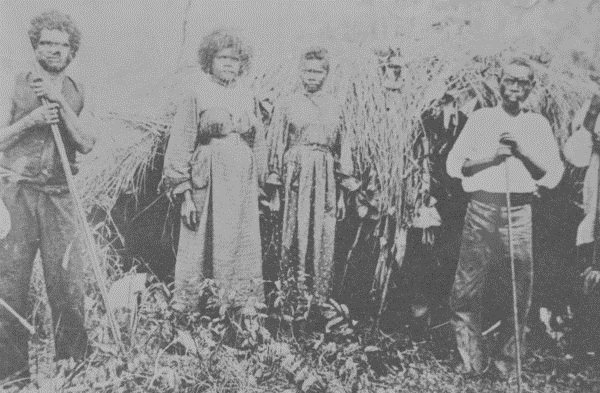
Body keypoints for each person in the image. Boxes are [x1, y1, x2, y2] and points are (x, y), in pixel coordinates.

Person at [445, 57, 564, 376]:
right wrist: (493, 158)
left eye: (522, 82)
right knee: (468, 286)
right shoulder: (482, 119)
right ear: (499, 83)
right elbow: (456, 166)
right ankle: (471, 360)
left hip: (519, 212)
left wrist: (523, 153)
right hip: (482, 208)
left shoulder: (537, 124)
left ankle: (507, 363)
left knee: (519, 289)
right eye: (509, 80)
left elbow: (552, 176)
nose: (515, 87)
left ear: (530, 87)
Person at [0, 10, 96, 382]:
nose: (54, 50)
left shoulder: (77, 89)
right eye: (47, 43)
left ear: (72, 50)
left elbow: (87, 142)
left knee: (68, 281)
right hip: (16, 193)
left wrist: (59, 103)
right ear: (35, 46)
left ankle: (73, 368)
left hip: (60, 195)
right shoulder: (14, 82)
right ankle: (12, 374)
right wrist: (32, 120)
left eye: (62, 44)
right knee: (10, 282)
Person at [163, 30, 263, 309]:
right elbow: (182, 141)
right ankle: (194, 309)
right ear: (210, 60)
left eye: (235, 59)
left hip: (240, 183)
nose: (229, 64)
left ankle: (239, 308)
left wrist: (261, 184)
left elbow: (258, 142)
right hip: (208, 180)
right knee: (202, 241)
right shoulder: (197, 93)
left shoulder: (247, 95)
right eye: (222, 58)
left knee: (238, 242)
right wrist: (184, 194)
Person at [265, 47, 358, 301]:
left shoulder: (336, 106)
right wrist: (274, 192)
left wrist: (340, 195)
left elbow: (343, 149)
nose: (312, 77)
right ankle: (290, 298)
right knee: (292, 232)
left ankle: (318, 300)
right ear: (299, 72)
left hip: (325, 177)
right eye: (307, 71)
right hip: (295, 174)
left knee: (322, 232)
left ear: (326, 74)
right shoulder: (287, 104)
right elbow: (275, 145)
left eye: (318, 72)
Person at [563, 94, 600, 357]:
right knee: (589, 269)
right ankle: (585, 339)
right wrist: (590, 120)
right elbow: (576, 155)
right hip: (594, 198)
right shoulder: (593, 105)